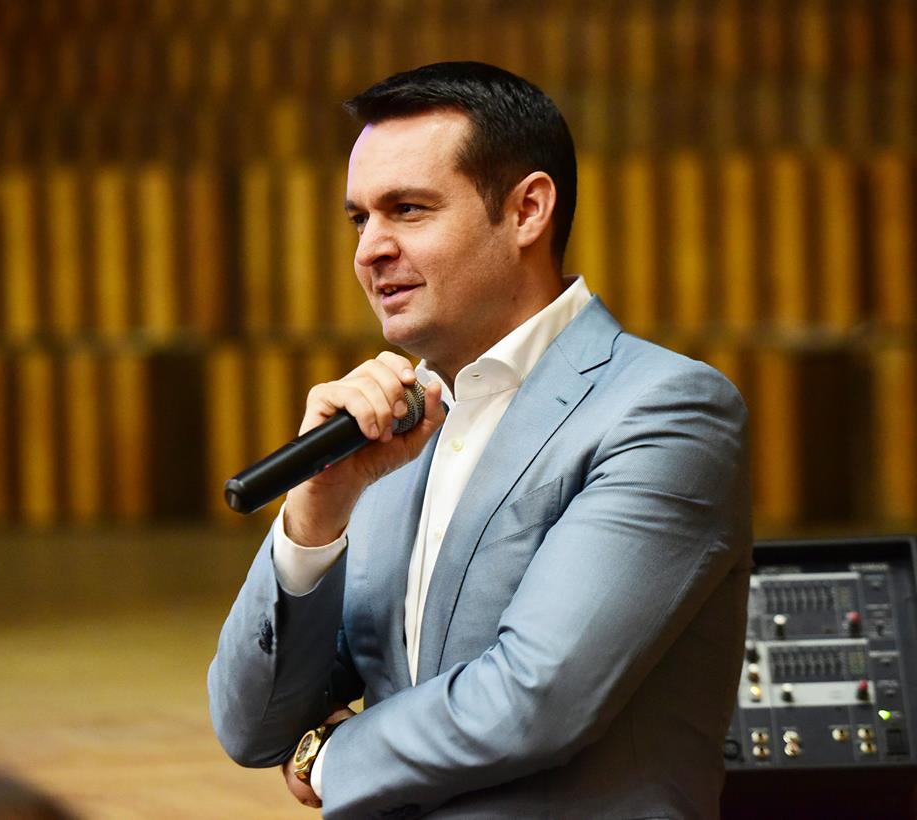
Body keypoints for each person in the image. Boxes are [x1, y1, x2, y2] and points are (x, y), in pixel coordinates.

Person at [209, 61, 751, 819]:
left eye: (408, 210)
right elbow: (250, 726)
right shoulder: (392, 427)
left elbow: (538, 696)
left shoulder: (664, 409)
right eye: (361, 219)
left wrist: (330, 757)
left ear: (527, 210)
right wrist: (313, 517)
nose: (370, 250)